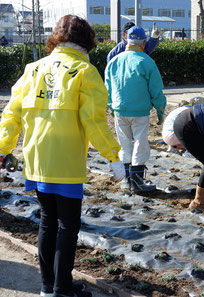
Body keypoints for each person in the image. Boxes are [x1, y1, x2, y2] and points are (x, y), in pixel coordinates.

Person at [0, 15, 125, 297]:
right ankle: (62, 289)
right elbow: (94, 121)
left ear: (56, 38)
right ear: (87, 41)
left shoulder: (32, 69)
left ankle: (48, 288)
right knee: (68, 226)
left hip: (36, 159)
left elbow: (11, 115)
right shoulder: (84, 71)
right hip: (66, 161)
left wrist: (2, 149)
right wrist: (113, 156)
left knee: (47, 221)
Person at [105, 26, 166, 193]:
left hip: (119, 111)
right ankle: (138, 181)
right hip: (139, 112)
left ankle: (127, 180)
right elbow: (156, 91)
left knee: (124, 143)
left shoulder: (114, 61)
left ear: (126, 40)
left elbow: (108, 88)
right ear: (144, 42)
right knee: (140, 142)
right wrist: (160, 111)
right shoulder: (146, 61)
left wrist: (111, 106)